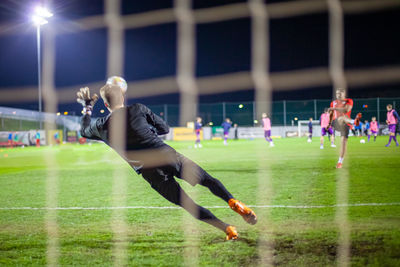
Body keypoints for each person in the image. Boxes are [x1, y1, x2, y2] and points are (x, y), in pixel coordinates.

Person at [77, 85, 257, 240]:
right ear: (123, 97)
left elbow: (83, 130)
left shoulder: (101, 126)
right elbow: (164, 128)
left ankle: (227, 229)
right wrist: (147, 131)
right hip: (166, 155)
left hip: (149, 171)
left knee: (187, 204)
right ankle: (234, 202)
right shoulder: (138, 109)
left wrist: (88, 107)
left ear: (106, 105)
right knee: (207, 180)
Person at [328, 88, 361, 168]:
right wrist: (329, 123)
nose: (338, 95)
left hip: (346, 124)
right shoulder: (333, 103)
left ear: (344, 94)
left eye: (340, 93)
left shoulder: (349, 101)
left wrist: (334, 108)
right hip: (336, 123)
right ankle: (354, 121)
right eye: (337, 93)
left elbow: (346, 110)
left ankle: (340, 162)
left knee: (343, 143)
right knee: (341, 118)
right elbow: (331, 114)